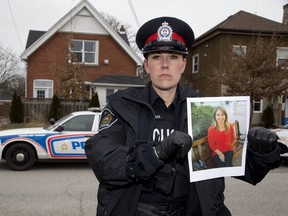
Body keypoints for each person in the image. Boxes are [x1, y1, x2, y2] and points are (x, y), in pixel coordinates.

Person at [85, 16, 287, 216]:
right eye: (156, 57)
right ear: (146, 65)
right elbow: (103, 160)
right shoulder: (122, 106)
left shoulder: (205, 110)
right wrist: (156, 153)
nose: (165, 64)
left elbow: (241, 167)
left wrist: (262, 152)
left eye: (173, 57)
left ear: (183, 64)